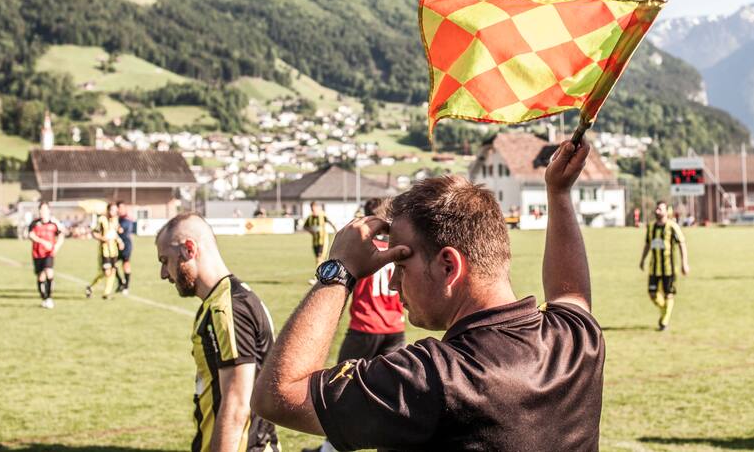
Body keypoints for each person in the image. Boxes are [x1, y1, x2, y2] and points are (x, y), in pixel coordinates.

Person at [253, 138, 605, 451]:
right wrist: (558, 194)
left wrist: (339, 271)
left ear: (448, 266)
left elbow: (278, 395)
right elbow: (571, 292)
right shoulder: (575, 340)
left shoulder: (434, 377)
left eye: (400, 265)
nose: (392, 284)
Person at [155, 213, 280, 452]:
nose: (163, 273)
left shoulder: (227, 308)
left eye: (165, 260)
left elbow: (237, 405)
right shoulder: (221, 302)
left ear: (189, 249)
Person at [303, 198, 405, 452]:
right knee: (392, 398)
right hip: (395, 328)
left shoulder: (364, 249)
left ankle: (330, 448)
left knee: (338, 391)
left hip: (365, 327)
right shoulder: (399, 249)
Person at [639, 200, 689, 331]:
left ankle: (664, 322)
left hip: (669, 268)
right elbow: (648, 244)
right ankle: (664, 312)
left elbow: (682, 243)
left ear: (667, 211)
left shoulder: (672, 227)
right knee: (652, 294)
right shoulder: (651, 227)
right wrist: (642, 259)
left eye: (660, 209)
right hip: (654, 268)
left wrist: (685, 263)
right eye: (657, 209)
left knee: (668, 295)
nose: (657, 211)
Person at [27, 201, 64, 309]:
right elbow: (30, 235)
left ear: (48, 210)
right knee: (41, 277)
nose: (42, 212)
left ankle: (49, 298)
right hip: (37, 254)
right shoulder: (34, 223)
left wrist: (56, 247)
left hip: (49, 254)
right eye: (41, 209)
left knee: (49, 272)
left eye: (44, 209)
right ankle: (44, 297)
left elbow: (61, 236)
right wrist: (43, 242)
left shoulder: (54, 223)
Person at [86, 203, 124, 299]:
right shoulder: (102, 220)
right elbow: (94, 233)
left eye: (115, 211)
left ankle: (106, 293)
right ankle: (90, 287)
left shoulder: (115, 220)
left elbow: (115, 233)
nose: (114, 212)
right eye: (112, 210)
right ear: (108, 210)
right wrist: (103, 238)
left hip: (114, 250)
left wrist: (120, 241)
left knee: (113, 270)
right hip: (104, 251)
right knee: (106, 272)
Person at [303, 202, 337, 282]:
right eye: (311, 208)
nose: (313, 210)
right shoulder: (310, 217)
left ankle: (316, 278)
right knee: (318, 260)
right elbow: (305, 226)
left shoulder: (323, 215)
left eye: (314, 208)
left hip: (323, 241)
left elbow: (331, 222)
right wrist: (311, 231)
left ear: (317, 208)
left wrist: (336, 230)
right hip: (315, 242)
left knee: (319, 259)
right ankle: (326, 275)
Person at [115, 201, 136, 295]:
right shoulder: (117, 218)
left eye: (121, 208)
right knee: (111, 264)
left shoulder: (126, 219)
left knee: (125, 264)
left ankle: (126, 286)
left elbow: (121, 230)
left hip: (126, 245)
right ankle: (120, 282)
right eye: (118, 208)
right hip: (116, 245)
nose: (120, 210)